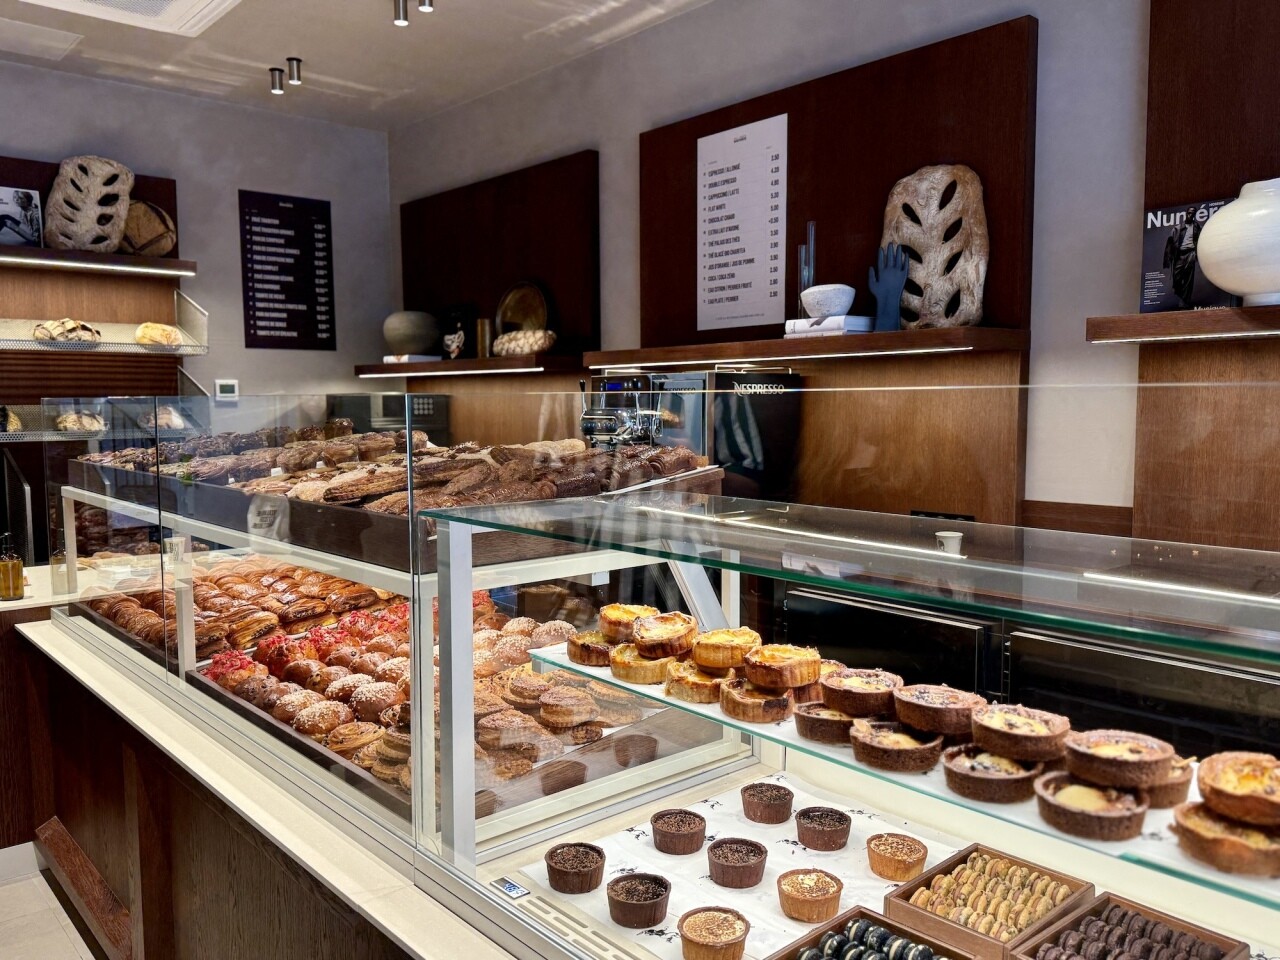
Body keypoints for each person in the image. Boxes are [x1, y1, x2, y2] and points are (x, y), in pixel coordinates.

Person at [1163, 205, 1202, 307]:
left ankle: (1184, 302)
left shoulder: (1196, 227)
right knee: (1177, 278)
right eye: (1189, 213)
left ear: (1194, 215)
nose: (1190, 215)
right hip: (1179, 254)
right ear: (1186, 213)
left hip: (1191, 253)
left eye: (1192, 214)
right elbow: (1170, 243)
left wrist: (1199, 253)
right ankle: (1179, 293)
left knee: (1189, 279)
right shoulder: (1178, 228)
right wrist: (1169, 257)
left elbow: (1201, 240)